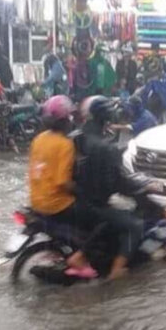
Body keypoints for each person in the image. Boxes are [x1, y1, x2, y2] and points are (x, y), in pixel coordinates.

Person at [72, 96, 145, 280]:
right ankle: (116, 271)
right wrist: (142, 185)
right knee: (135, 225)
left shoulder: (77, 137)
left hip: (74, 200)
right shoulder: (106, 147)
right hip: (94, 206)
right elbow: (118, 183)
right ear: (107, 118)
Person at [28, 95, 97, 278]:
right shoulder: (65, 145)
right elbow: (62, 182)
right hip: (56, 204)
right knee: (96, 219)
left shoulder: (39, 139)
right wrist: (82, 191)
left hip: (36, 201)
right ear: (65, 120)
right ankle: (81, 261)